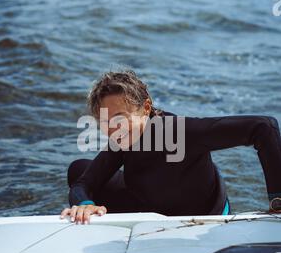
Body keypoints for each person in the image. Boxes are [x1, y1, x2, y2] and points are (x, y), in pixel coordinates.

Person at [60, 69, 281, 224]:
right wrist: (85, 204)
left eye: (120, 118)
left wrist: (277, 200)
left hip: (202, 217)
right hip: (150, 211)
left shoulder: (180, 132)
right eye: (105, 122)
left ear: (146, 108)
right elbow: (83, 183)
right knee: (79, 168)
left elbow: (264, 127)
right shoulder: (122, 140)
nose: (113, 129)